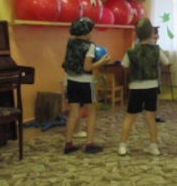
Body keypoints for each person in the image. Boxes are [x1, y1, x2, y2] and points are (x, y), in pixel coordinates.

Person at [118, 18, 170, 156]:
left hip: (135, 87)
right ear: (151, 33)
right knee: (150, 118)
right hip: (152, 87)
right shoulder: (156, 50)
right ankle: (154, 146)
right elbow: (166, 62)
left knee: (129, 117)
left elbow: (124, 66)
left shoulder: (131, 51)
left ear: (136, 34)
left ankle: (122, 146)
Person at [61, 17, 109, 155]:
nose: (92, 33)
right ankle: (89, 143)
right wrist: (102, 61)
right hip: (86, 82)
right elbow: (87, 67)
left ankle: (68, 144)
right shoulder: (90, 46)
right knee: (91, 112)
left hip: (71, 81)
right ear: (86, 31)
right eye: (91, 30)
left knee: (73, 113)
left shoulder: (70, 42)